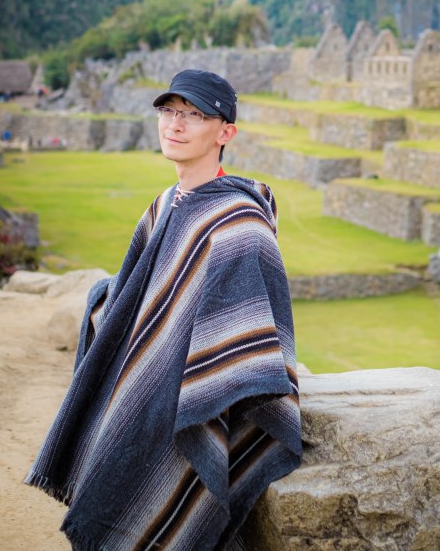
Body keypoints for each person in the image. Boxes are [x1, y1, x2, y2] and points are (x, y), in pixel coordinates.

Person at [26, 69, 302, 550]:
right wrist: (107, 302)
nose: (175, 124)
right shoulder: (162, 206)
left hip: (198, 403)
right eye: (169, 111)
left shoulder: (239, 225)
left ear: (225, 132)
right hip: (153, 392)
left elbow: (252, 331)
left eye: (193, 114)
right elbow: (139, 297)